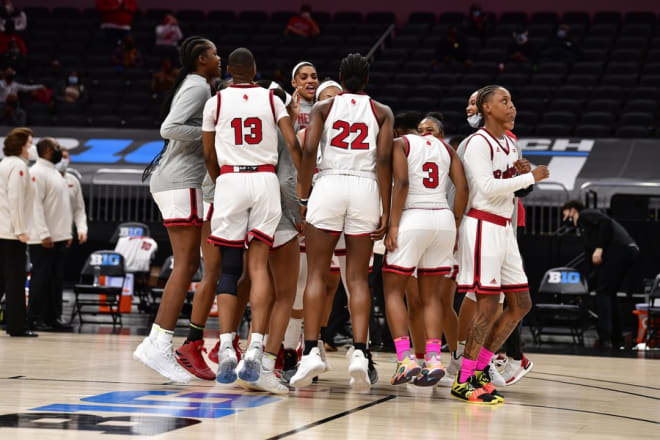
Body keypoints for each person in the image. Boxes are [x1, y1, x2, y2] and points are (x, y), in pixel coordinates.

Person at [291, 53, 393, 392]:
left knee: (318, 272)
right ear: (366, 80)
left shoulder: (323, 108)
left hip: (330, 183)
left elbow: (308, 153)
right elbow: (383, 160)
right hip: (365, 186)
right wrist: (385, 208)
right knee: (357, 277)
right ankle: (361, 353)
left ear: (340, 77)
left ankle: (309, 351)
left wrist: (304, 195)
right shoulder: (382, 111)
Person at [202, 47, 300, 386]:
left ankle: (227, 345)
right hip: (264, 179)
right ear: (255, 69)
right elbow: (292, 142)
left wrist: (222, 181)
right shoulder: (273, 99)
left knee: (230, 268)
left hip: (230, 178)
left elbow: (207, 152)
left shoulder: (215, 102)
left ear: (229, 71)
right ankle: (257, 347)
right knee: (259, 267)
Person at [452, 85, 549, 405]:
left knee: (521, 303)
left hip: (504, 227)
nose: (512, 107)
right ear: (486, 109)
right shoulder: (478, 143)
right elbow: (488, 187)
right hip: (482, 225)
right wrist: (531, 176)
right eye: (504, 101)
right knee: (488, 305)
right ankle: (464, 379)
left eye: (512, 100)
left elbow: (513, 191)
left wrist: (521, 177)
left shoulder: (509, 142)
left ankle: (480, 370)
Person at [134, 36, 221, 384]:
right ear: (201, 59)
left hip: (183, 180)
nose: (219, 57)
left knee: (193, 265)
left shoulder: (197, 84)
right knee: (185, 265)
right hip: (179, 180)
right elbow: (168, 128)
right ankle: (158, 342)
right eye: (214, 53)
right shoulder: (198, 86)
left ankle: (164, 342)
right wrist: (208, 133)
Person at [383, 112, 468, 387]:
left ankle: (405, 359)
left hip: (413, 216)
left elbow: (403, 184)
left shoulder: (401, 143)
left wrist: (393, 224)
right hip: (442, 218)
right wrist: (455, 222)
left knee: (394, 291)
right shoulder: (447, 148)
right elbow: (462, 187)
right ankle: (433, 359)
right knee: (432, 298)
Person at [561, 200, 639, 349]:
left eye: (564, 214)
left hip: (620, 250)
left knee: (603, 293)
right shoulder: (586, 230)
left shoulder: (584, 215)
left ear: (572, 210)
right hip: (628, 251)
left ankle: (605, 338)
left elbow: (605, 222)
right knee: (609, 293)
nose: (564, 219)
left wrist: (599, 248)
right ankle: (617, 337)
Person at [26, 138, 72, 332]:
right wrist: (44, 233)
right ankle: (34, 318)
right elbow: (35, 206)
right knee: (41, 279)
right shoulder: (36, 173)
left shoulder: (55, 173)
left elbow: (62, 207)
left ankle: (52, 318)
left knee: (55, 280)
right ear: (46, 151)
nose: (60, 152)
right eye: (56, 148)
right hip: (43, 238)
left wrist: (66, 232)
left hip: (58, 236)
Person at [0, 127, 36, 337]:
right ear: (21, 146)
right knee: (15, 281)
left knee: (2, 280)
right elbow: (15, 200)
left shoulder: (4, 164)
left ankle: (15, 324)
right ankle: (16, 326)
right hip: (11, 233)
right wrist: (21, 230)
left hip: (3, 231)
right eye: (29, 143)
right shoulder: (18, 167)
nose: (31, 148)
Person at [289, 61, 318, 130]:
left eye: (314, 77)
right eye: (303, 77)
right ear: (294, 83)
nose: (310, 81)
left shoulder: (323, 106)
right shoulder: (286, 106)